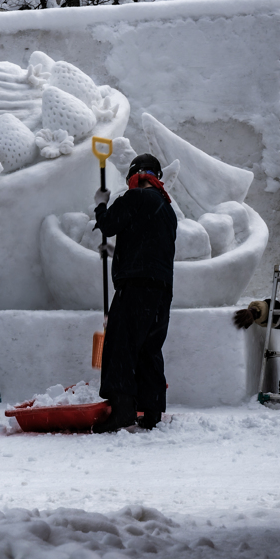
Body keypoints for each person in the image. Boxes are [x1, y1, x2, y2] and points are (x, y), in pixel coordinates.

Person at [92, 153, 177, 433]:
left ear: (136, 175)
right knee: (149, 349)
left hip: (136, 286)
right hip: (162, 290)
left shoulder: (136, 198)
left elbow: (109, 225)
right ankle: (151, 413)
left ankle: (123, 412)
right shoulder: (167, 209)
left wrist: (101, 206)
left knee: (120, 348)